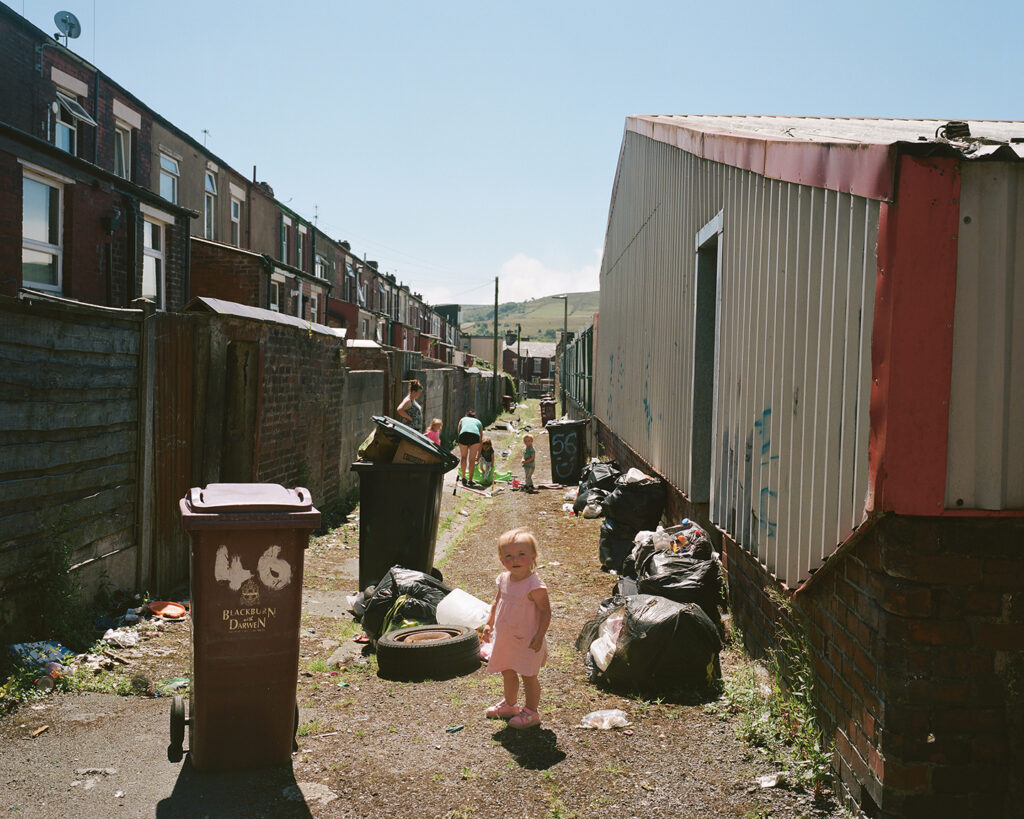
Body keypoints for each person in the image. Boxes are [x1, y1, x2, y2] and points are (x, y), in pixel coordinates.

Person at [481, 528, 550, 729]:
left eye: (521, 554)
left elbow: (545, 612)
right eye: (509, 556)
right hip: (506, 637)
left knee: (529, 675)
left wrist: (539, 636)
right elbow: (497, 601)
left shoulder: (534, 585)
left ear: (532, 558)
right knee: (507, 670)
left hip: (528, 639)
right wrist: (489, 623)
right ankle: (510, 705)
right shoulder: (503, 579)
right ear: (502, 560)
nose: (515, 559)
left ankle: (531, 712)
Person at [457, 410, 483, 486]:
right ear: (475, 417)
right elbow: (481, 439)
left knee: (463, 457)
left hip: (463, 435)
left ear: (467, 415)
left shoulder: (462, 419)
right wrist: (478, 457)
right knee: (472, 460)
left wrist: (461, 441)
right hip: (475, 436)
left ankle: (464, 477)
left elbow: (459, 431)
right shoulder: (479, 422)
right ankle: (470, 480)